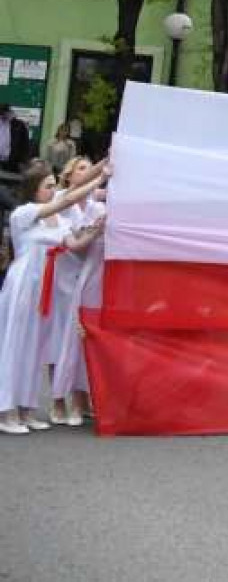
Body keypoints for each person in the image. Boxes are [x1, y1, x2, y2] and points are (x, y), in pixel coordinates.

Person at [0, 159, 107, 433]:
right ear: (34, 189)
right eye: (47, 186)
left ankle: (26, 410)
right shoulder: (24, 213)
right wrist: (100, 176)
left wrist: (97, 228)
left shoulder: (59, 220)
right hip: (23, 284)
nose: (52, 190)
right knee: (15, 345)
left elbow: (75, 243)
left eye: (52, 185)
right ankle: (6, 412)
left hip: (43, 290)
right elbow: (68, 197)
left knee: (34, 349)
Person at [0, 106, 29, 179]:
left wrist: (23, 161)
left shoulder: (19, 125)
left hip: (12, 161)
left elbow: (25, 144)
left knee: (9, 180)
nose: (4, 116)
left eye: (6, 113)